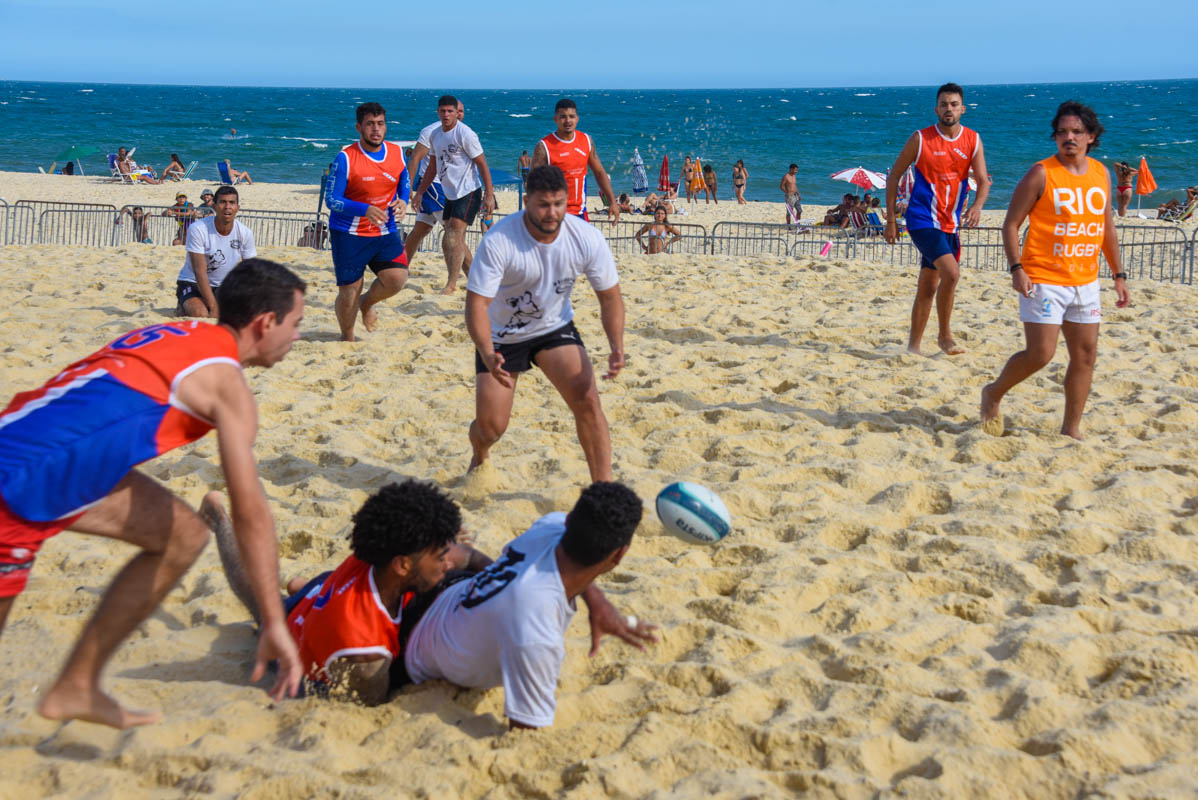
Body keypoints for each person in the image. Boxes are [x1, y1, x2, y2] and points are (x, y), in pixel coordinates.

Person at [0, 258, 307, 728]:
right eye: (297, 324)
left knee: (184, 535)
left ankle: (78, 685)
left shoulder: (180, 331)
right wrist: (273, 620)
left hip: (27, 442)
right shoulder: (229, 384)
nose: (298, 336)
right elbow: (250, 513)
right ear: (266, 323)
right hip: (21, 480)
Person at [202, 479, 487, 705]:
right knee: (263, 606)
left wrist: (500, 575)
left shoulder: (383, 550)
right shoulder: (365, 653)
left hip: (330, 590)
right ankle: (219, 522)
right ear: (402, 565)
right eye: (440, 556)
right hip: (295, 636)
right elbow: (374, 701)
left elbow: (467, 556)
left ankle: (303, 588)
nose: (448, 562)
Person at [402, 481, 657, 728]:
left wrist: (598, 602)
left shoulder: (551, 525)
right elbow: (524, 732)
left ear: (568, 520)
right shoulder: (537, 635)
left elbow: (575, 563)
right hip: (413, 653)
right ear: (620, 554)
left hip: (451, 593)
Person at [465, 165, 625, 482]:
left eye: (559, 204)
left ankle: (603, 488)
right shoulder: (500, 240)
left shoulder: (586, 238)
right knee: (491, 427)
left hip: (553, 328)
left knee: (587, 397)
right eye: (543, 204)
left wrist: (616, 346)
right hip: (501, 337)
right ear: (527, 201)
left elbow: (610, 298)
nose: (552, 213)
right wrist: (485, 351)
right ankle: (480, 453)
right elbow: (476, 305)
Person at [981, 101, 1130, 440]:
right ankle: (993, 392)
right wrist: (1016, 268)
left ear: (1091, 136)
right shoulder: (1041, 173)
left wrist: (1118, 275)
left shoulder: (1100, 174)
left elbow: (1106, 227)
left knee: (1086, 356)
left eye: (1077, 132)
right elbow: (1011, 224)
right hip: (1044, 278)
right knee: (1041, 354)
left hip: (1086, 280)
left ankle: (1070, 428)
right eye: (1062, 132)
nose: (1069, 138)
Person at [885, 82, 990, 356]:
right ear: (936, 108)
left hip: (950, 224)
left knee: (929, 286)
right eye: (944, 104)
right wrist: (891, 221)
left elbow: (983, 180)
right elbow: (894, 176)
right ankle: (945, 336)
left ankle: (913, 348)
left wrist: (977, 206)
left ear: (963, 109)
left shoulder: (973, 140)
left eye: (954, 104)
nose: (949, 109)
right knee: (951, 273)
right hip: (922, 220)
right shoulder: (920, 139)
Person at [325, 101, 411, 342]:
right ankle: (348, 336)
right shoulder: (346, 158)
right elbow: (331, 200)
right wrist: (364, 209)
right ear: (359, 127)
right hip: (348, 234)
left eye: (380, 124)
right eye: (370, 124)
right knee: (350, 290)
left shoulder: (396, 152)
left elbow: (404, 178)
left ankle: (367, 303)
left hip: (384, 231)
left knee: (397, 279)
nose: (376, 129)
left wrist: (404, 200)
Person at [411, 95, 496, 296]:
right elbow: (432, 166)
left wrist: (489, 194)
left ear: (457, 113)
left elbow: (482, 164)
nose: (447, 115)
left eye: (451, 111)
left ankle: (451, 284)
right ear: (438, 112)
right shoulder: (435, 135)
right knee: (448, 239)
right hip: (449, 193)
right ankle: (475, 280)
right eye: (443, 111)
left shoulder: (465, 134)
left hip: (468, 191)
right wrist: (420, 192)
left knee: (454, 235)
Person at [531, 98, 620, 224]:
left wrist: (612, 202)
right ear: (555, 119)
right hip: (554, 214)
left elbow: (599, 172)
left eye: (571, 116)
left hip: (580, 214)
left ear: (577, 119)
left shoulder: (586, 141)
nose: (568, 121)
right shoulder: (544, 146)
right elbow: (533, 182)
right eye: (563, 117)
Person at [403, 100, 466, 274]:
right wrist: (408, 187)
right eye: (454, 111)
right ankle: (474, 276)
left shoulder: (461, 133)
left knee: (420, 229)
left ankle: (399, 267)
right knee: (455, 232)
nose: (458, 114)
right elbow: (415, 158)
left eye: (460, 111)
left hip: (450, 188)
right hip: (433, 186)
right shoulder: (431, 131)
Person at [177, 186, 256, 318]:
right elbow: (199, 271)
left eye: (232, 203)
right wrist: (213, 307)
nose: (227, 207)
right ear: (214, 206)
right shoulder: (198, 229)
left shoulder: (245, 232)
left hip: (223, 285)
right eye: (222, 202)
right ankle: (183, 304)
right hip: (192, 281)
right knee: (201, 313)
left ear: (238, 207)